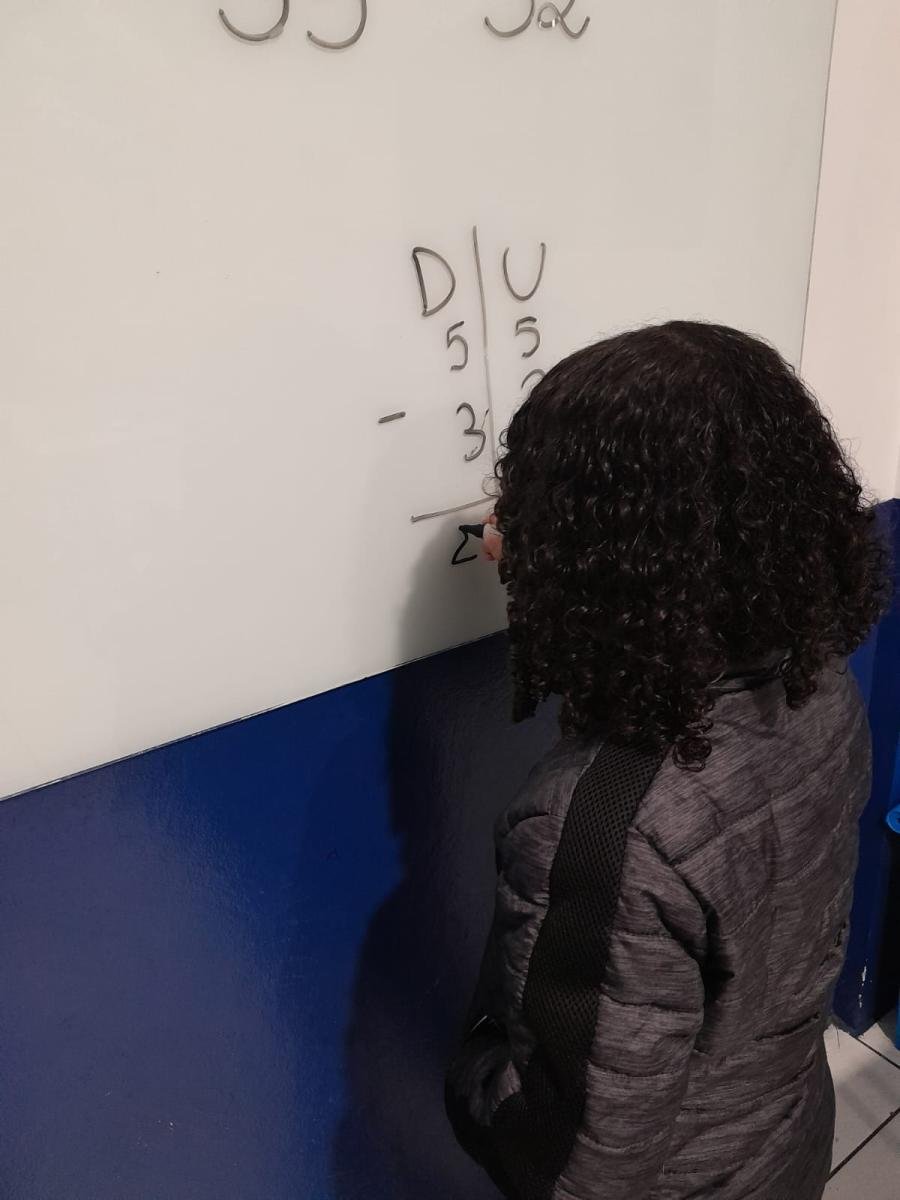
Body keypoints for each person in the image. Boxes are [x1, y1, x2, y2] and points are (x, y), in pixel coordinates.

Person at [444, 321, 890, 1200]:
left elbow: (578, 1167)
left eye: (529, 506)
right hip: (788, 1137)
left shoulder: (600, 828)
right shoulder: (817, 682)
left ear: (595, 560)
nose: (503, 525)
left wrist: (474, 1071)